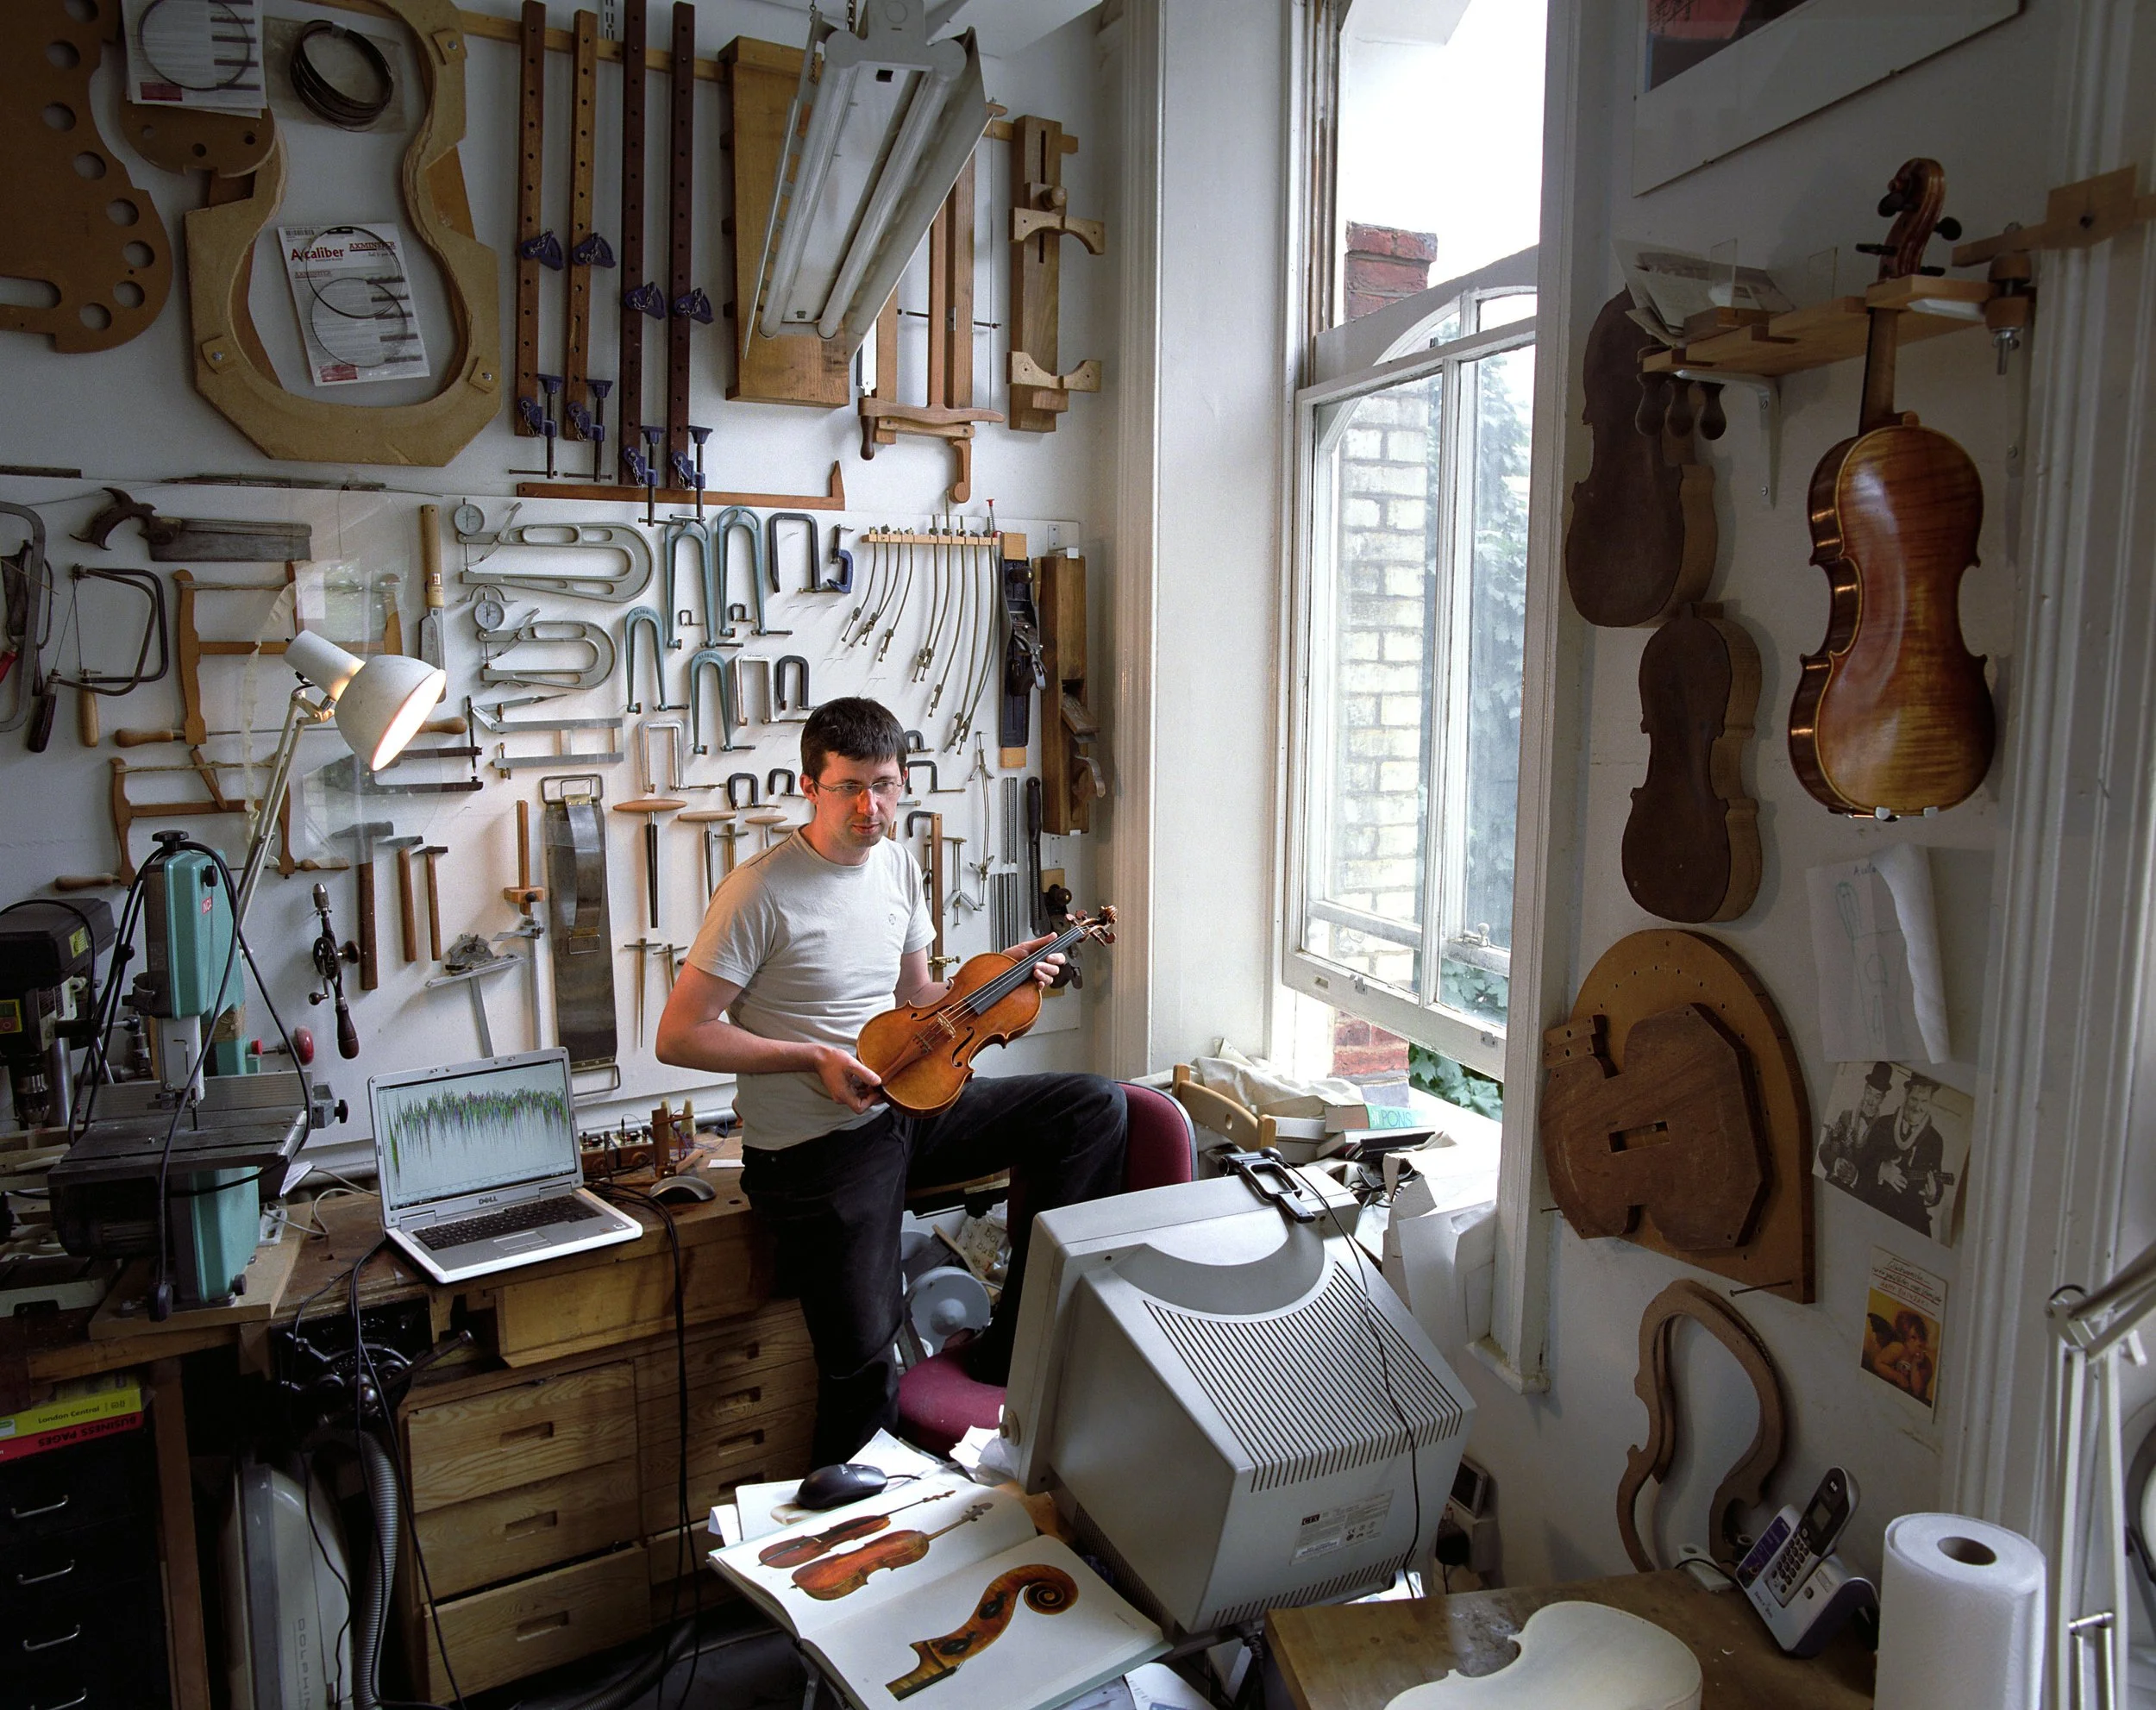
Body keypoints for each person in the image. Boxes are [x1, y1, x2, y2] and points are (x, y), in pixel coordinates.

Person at [653, 697, 1128, 1463]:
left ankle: (1016, 1346)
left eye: (884, 784)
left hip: (907, 1109)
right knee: (865, 1369)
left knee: (1093, 1107)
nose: (870, 806)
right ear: (810, 786)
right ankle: (847, 1547)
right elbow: (679, 1034)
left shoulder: (900, 866)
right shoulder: (758, 892)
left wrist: (1005, 975)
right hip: (817, 1150)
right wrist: (812, 1056)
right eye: (848, 787)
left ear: (902, 780)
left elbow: (919, 1000)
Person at [1850, 1075, 1946, 1237]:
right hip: (1875, 1212)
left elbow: (1937, 1179)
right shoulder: (1882, 1124)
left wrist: (1932, 1196)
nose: (1918, 1107)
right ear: (1906, 1095)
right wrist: (1881, 1169)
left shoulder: (1935, 1140)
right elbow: (1860, 1164)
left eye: (1924, 1101)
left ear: (1930, 1102)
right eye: (1914, 1099)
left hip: (1911, 1222)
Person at [1817, 1061, 1893, 1192]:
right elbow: (1823, 1149)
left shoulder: (1883, 1130)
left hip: (1856, 1194)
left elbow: (1877, 1176)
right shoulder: (1846, 1116)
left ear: (1883, 1099)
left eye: (1877, 1097)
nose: (1870, 1101)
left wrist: (1856, 1177)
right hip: (1831, 1185)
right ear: (1864, 1089)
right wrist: (1836, 1162)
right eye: (1869, 1093)